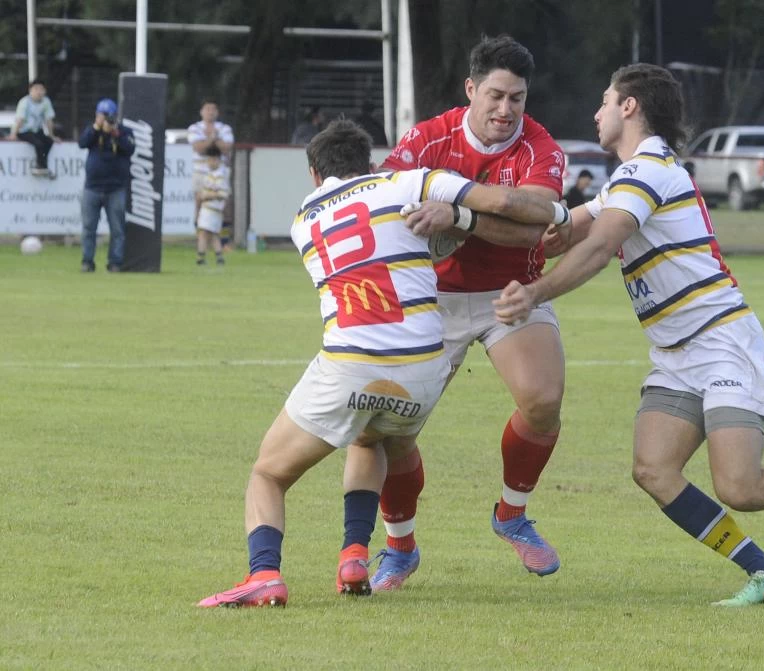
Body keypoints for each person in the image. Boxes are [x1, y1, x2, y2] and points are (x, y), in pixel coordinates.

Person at [494, 63, 764, 607]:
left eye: (605, 100)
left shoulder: (650, 170)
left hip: (721, 339)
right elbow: (568, 231)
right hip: (674, 351)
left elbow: (595, 246)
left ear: (630, 107)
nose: (597, 112)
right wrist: (479, 222)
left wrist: (534, 293)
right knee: (653, 469)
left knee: (742, 487)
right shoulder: (625, 178)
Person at [196, 119, 569, 608]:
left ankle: (264, 574)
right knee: (371, 437)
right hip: (424, 367)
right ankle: (355, 551)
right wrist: (557, 212)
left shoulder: (301, 220)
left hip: (351, 360)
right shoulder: (406, 182)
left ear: (314, 175)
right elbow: (491, 206)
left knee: (268, 473)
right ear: (371, 164)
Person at [369, 34, 569, 591]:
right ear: (471, 90)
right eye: (497, 96)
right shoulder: (428, 137)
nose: (507, 111)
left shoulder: (541, 147)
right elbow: (385, 193)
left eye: (518, 99)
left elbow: (531, 221)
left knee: (543, 400)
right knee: (392, 427)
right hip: (431, 298)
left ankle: (512, 514)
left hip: (512, 290)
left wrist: (457, 215)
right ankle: (400, 547)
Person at [78, 98, 135, 273]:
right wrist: (97, 128)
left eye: (108, 116)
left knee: (117, 229)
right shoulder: (93, 131)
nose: (106, 119)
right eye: (102, 115)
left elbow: (131, 149)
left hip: (116, 188)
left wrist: (115, 133)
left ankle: (115, 262)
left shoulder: (124, 131)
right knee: (89, 228)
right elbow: (82, 143)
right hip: (92, 187)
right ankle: (87, 261)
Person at [11, 79, 60, 177]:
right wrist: (13, 134)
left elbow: (49, 120)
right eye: (36, 89)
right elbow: (19, 119)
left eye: (41, 89)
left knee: (49, 141)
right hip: (24, 131)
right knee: (38, 144)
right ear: (30, 90)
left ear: (45, 91)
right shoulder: (25, 102)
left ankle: (43, 164)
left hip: (36, 130)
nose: (39, 92)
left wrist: (51, 135)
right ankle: (39, 166)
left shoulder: (46, 101)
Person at [195, 144, 231, 266]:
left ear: (218, 160)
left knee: (204, 233)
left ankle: (201, 257)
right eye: (209, 159)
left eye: (213, 159)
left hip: (212, 209)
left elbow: (223, 194)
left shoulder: (220, 176)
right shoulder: (208, 175)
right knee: (212, 234)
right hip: (208, 208)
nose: (210, 162)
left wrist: (207, 196)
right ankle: (219, 256)